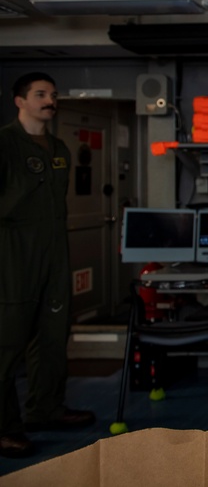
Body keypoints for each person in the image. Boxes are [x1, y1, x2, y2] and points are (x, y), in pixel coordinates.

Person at [0, 72, 95, 459]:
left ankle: (46, 408)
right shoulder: (5, 143)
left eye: (53, 95)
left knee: (54, 334)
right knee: (7, 343)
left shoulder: (59, 147)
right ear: (19, 100)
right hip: (12, 252)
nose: (49, 101)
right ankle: (6, 428)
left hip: (55, 249)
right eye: (40, 94)